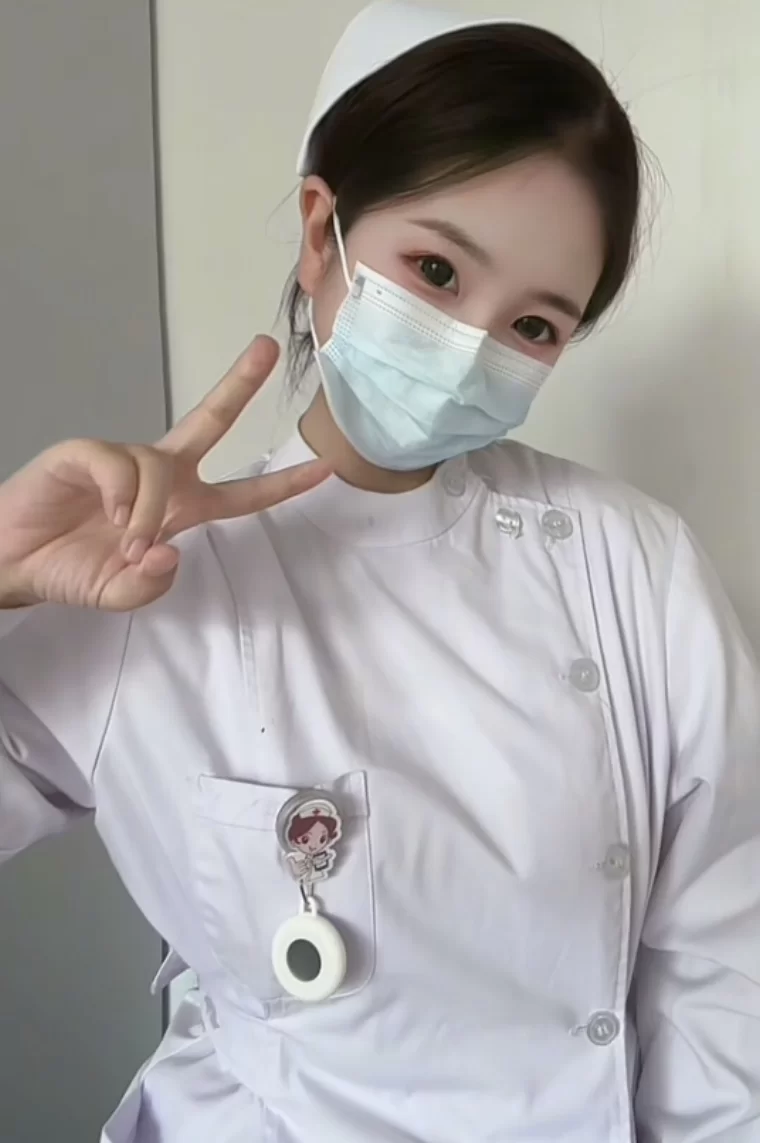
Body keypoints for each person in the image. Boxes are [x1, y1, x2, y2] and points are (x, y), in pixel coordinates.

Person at [1, 1, 759, 1139]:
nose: (470, 349)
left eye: (536, 326)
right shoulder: (148, 577)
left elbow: (724, 962)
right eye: (437, 269)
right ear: (323, 233)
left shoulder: (633, 568)